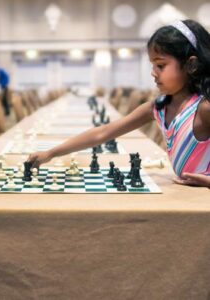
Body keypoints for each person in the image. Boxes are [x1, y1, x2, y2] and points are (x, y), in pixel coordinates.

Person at [28, 20, 210, 188]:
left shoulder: (203, 108)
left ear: (191, 65)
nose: (153, 73)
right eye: (153, 65)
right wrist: (51, 153)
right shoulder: (158, 107)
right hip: (185, 195)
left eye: (160, 65)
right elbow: (103, 133)